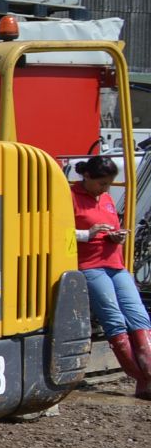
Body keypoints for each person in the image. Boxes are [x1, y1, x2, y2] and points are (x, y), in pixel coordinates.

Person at [72, 156, 150, 401]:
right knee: (114, 320)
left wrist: (117, 237)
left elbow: (109, 225)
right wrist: (88, 233)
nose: (106, 189)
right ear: (87, 177)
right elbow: (54, 228)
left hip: (115, 263)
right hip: (91, 265)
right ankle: (142, 378)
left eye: (108, 184)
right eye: (102, 184)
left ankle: (147, 376)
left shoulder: (105, 199)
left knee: (139, 317)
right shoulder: (68, 197)